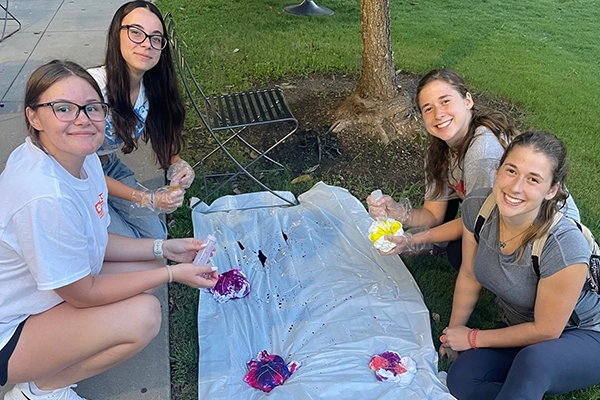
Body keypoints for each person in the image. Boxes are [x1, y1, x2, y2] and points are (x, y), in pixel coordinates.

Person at [0, 60, 217, 400]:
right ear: (34, 117)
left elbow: (96, 241)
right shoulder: (45, 197)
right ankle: (39, 390)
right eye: (63, 108)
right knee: (143, 317)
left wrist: (165, 249)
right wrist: (173, 275)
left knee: (149, 264)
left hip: (42, 295)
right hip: (9, 331)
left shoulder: (81, 157)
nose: (82, 119)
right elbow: (83, 294)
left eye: (92, 107)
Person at [439, 131, 600, 399]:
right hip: (523, 327)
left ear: (551, 190)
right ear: (498, 170)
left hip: (583, 333)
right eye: (511, 171)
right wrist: (455, 334)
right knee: (463, 378)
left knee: (534, 363)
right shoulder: (478, 207)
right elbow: (468, 274)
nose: (515, 187)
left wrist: (474, 338)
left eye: (533, 179)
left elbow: (547, 330)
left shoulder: (563, 244)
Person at [367, 68, 579, 270]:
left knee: (459, 254)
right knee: (458, 247)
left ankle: (519, 283)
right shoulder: (439, 149)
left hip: (547, 232)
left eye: (445, 101)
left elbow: (482, 220)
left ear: (468, 101)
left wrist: (413, 240)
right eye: (428, 108)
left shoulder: (482, 154)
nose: (438, 114)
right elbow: (433, 214)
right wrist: (398, 213)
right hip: (505, 218)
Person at [88, 0, 194, 240]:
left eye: (156, 38)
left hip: (109, 169)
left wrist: (178, 165)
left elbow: (164, 137)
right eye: (136, 32)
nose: (147, 44)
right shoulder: (91, 89)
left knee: (156, 236)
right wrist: (146, 198)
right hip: (76, 180)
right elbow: (79, 169)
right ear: (117, 34)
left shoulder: (151, 88)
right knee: (129, 246)